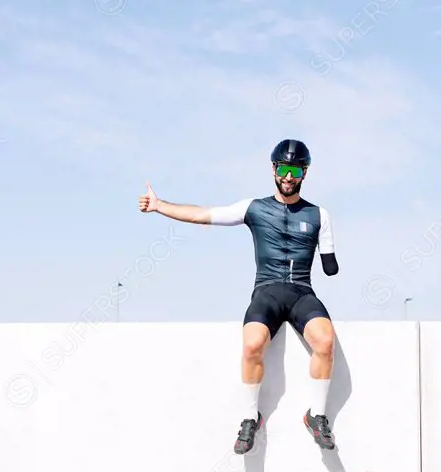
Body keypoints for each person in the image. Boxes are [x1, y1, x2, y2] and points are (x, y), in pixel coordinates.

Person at [137, 139, 339, 455]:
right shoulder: (253, 208)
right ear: (273, 169)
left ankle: (317, 415)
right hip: (267, 290)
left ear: (305, 173)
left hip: (302, 292)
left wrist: (324, 248)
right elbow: (203, 215)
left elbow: (331, 267)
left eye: (295, 170)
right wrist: (159, 205)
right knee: (252, 344)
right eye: (283, 169)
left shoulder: (319, 215)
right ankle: (249, 417)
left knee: (326, 342)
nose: (288, 177)